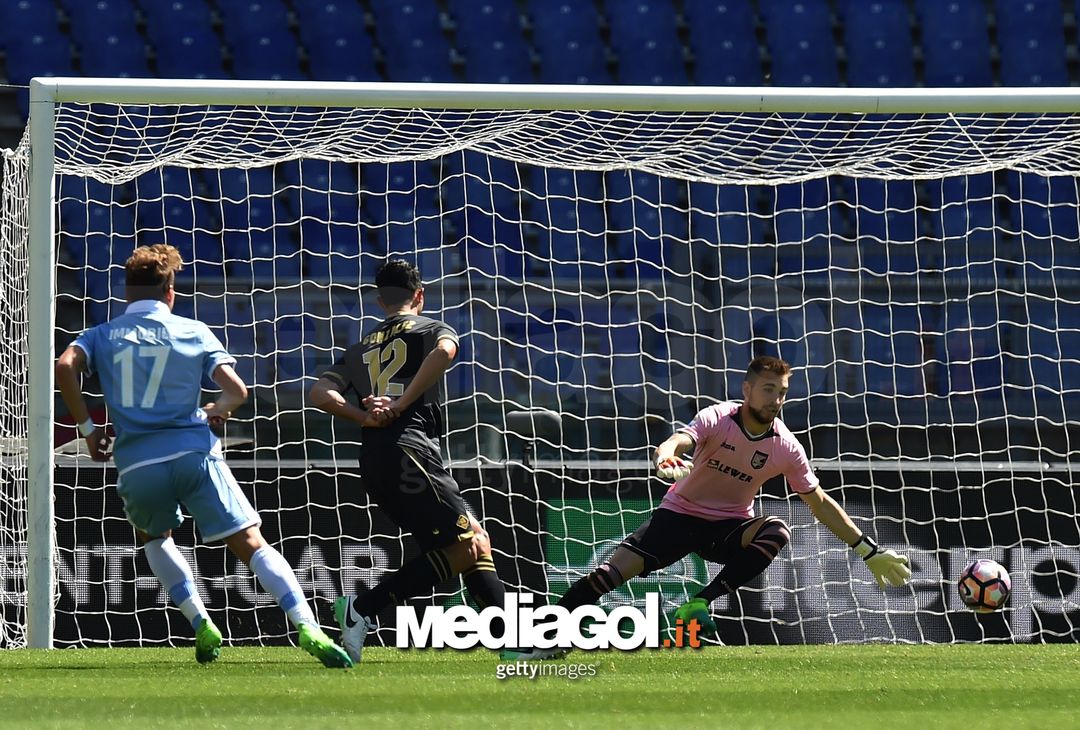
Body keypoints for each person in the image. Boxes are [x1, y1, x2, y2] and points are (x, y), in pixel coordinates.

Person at [55, 244, 353, 668]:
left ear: (126, 294)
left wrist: (88, 430)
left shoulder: (102, 335)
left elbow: (65, 365)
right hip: (194, 453)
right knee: (251, 542)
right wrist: (215, 410)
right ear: (170, 291)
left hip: (138, 463)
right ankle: (308, 624)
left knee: (154, 539)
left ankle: (200, 622)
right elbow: (238, 392)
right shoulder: (193, 330)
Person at [503, 355, 912, 660]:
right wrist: (664, 457)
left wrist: (868, 551)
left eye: (782, 392)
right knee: (607, 575)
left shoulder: (786, 446)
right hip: (679, 515)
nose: (776, 399)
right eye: (768, 390)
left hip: (729, 527)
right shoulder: (717, 418)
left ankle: (700, 601)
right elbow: (678, 440)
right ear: (747, 389)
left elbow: (818, 501)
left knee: (778, 531)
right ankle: (543, 639)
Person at [309, 258, 505, 664]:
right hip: (410, 451)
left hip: (375, 456)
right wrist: (400, 404)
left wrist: (365, 416)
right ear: (420, 295)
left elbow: (319, 394)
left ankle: (510, 641)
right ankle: (361, 609)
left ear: (380, 301)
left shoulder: (360, 346)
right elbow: (445, 353)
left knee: (475, 542)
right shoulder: (431, 327)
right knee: (470, 545)